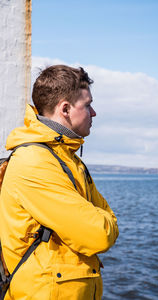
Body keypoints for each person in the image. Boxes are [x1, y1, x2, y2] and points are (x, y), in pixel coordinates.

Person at [0, 65, 119, 300]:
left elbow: (105, 220)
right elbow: (100, 233)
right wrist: (103, 220)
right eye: (87, 105)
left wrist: (103, 219)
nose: (93, 113)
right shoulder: (34, 162)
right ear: (65, 109)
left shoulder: (68, 159)